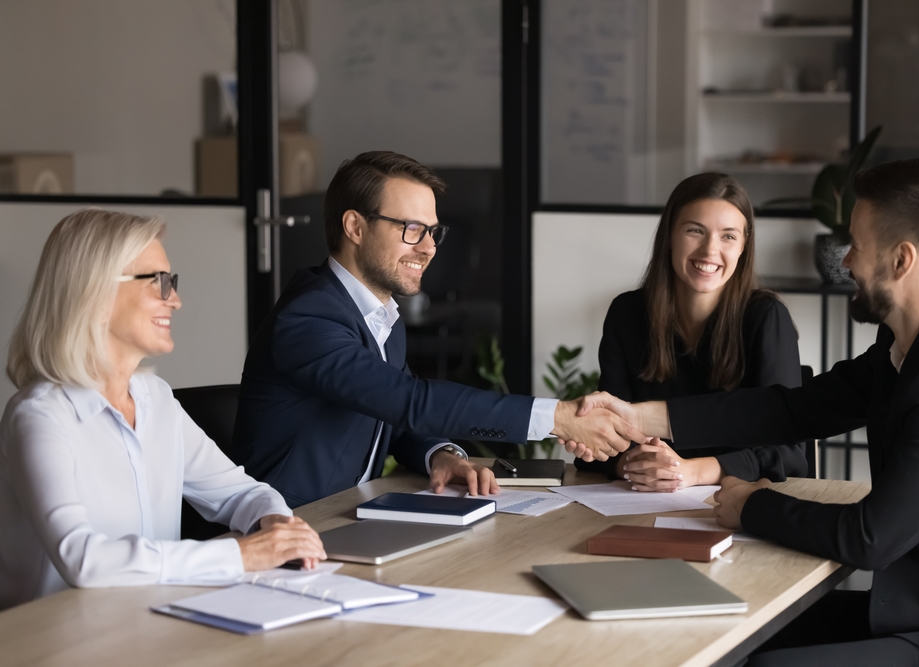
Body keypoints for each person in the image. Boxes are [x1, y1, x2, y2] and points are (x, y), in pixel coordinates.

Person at [569, 159, 919, 665]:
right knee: (720, 630)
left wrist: (749, 504)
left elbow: (868, 538)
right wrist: (642, 419)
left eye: (856, 245)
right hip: (918, 603)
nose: (846, 263)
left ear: (902, 261)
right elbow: (795, 409)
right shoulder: (914, 340)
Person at [232, 151, 639, 508]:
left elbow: (392, 417)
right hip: (289, 527)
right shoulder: (309, 318)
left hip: (349, 515)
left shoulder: (379, 314)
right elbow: (409, 400)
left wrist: (442, 455)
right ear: (355, 227)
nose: (429, 248)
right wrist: (559, 417)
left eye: (432, 231)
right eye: (411, 229)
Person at [0, 210, 327, 611]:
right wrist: (242, 556)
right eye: (159, 283)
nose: (174, 300)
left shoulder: (155, 398)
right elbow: (82, 559)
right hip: (55, 638)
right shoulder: (39, 415)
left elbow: (240, 494)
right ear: (95, 290)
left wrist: (277, 524)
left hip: (152, 619)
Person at [576, 173, 806, 489]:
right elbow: (610, 433)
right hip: (640, 498)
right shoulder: (627, 313)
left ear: (743, 247)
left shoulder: (766, 318)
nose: (710, 250)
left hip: (736, 503)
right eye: (695, 231)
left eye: (728, 236)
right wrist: (630, 463)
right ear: (670, 235)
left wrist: (691, 472)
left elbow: (788, 453)